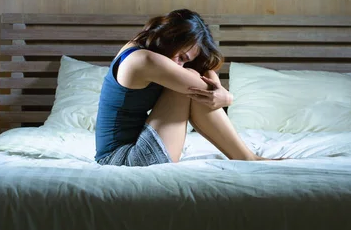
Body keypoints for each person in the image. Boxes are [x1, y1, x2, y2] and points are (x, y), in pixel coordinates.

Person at [95, 9, 269, 166]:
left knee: (189, 81)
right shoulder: (143, 60)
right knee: (189, 87)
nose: (179, 65)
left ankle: (245, 156)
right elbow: (205, 87)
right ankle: (246, 157)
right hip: (120, 160)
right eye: (181, 56)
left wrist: (214, 85)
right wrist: (228, 98)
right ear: (170, 37)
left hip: (125, 150)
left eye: (185, 61)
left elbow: (205, 72)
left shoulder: (141, 46)